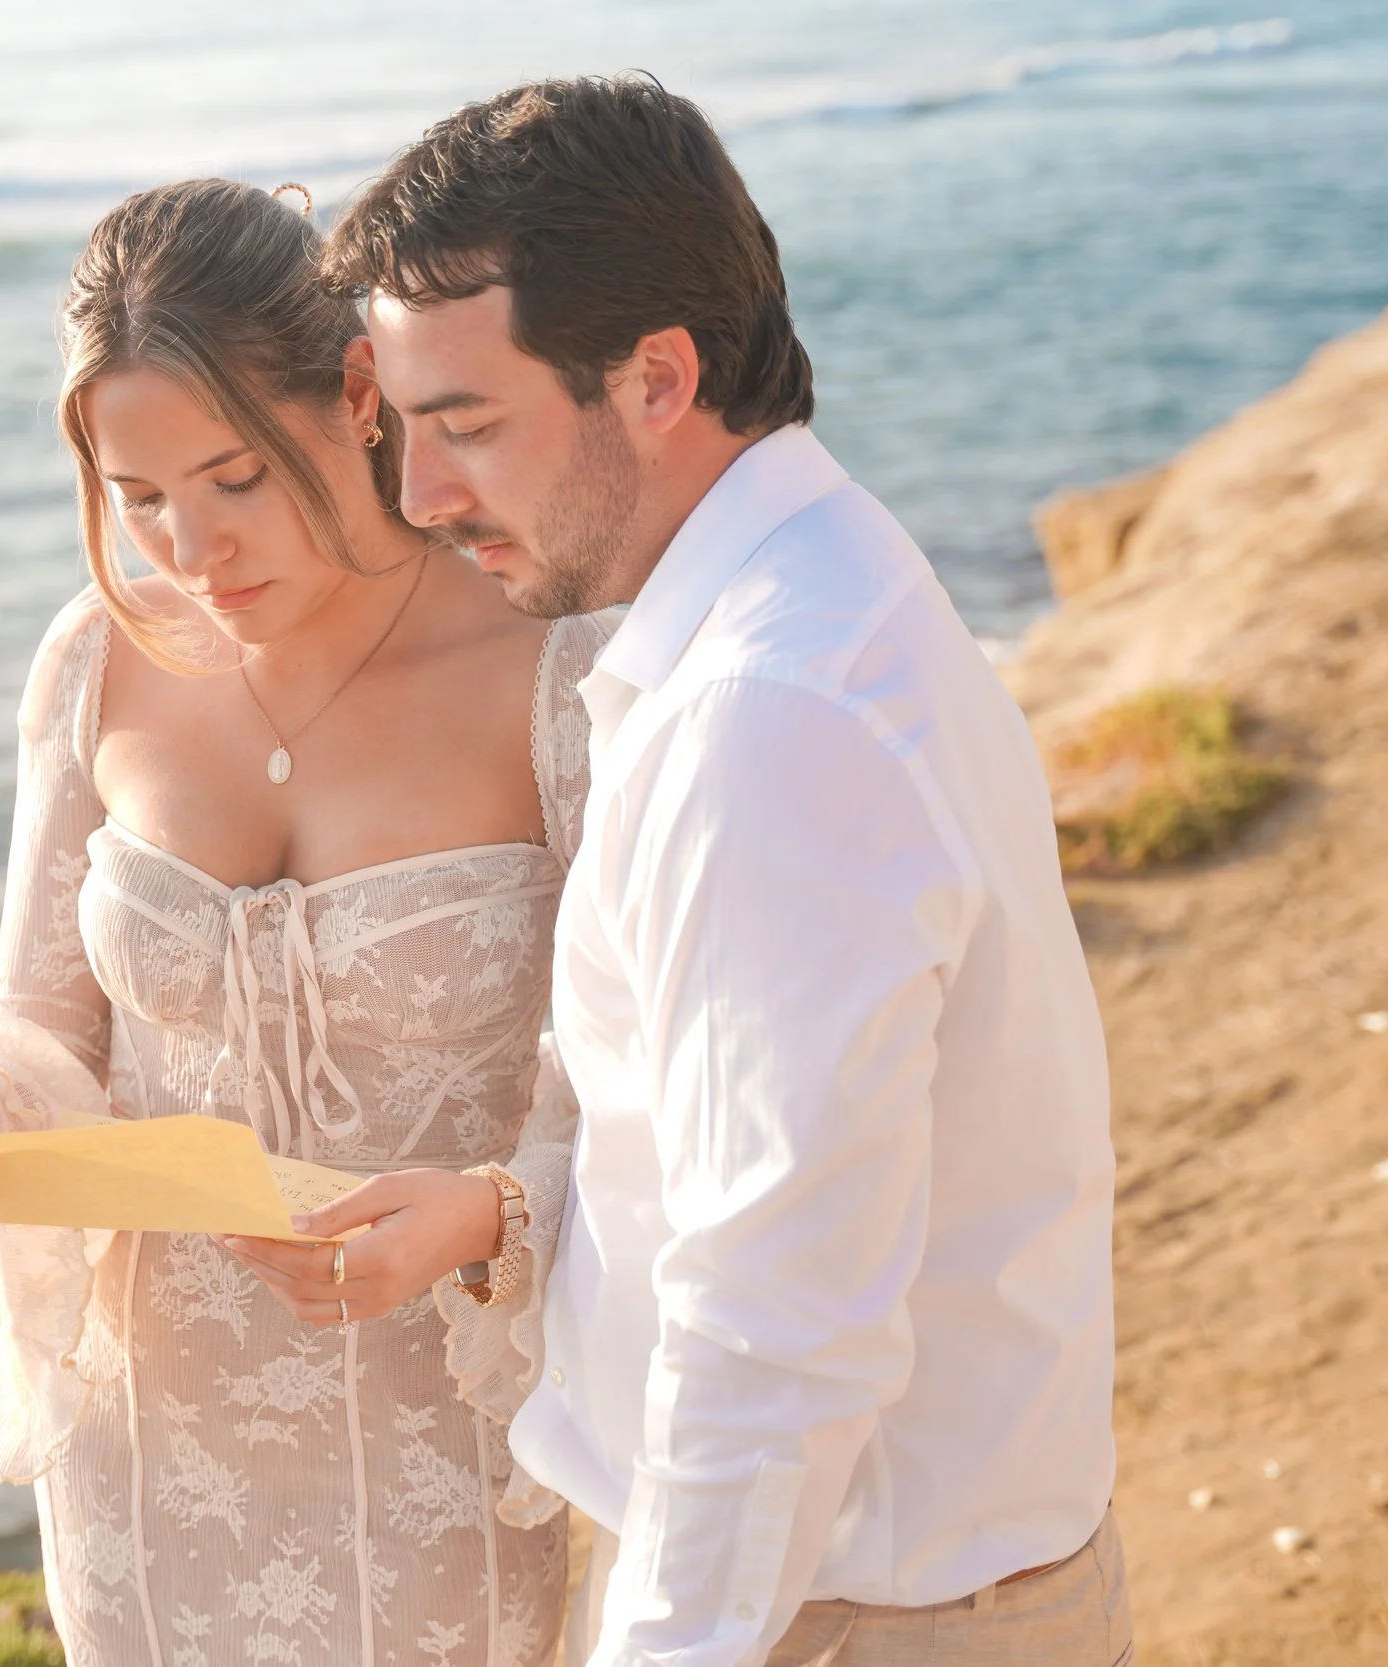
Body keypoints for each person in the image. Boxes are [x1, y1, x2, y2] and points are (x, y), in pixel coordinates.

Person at [322, 77, 1130, 1666]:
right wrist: (519, 1203)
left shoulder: (767, 719)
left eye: (466, 424)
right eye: (401, 435)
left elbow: (777, 1320)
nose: (420, 499)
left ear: (656, 379)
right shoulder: (813, 594)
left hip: (845, 1618)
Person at [0, 178, 608, 1667]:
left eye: (237, 477)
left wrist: (487, 1211)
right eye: (141, 494)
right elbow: (42, 1018)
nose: (193, 548)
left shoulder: (548, 668)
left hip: (440, 1447)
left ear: (355, 397)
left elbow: (624, 1082)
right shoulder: (95, 665)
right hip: (149, 1459)